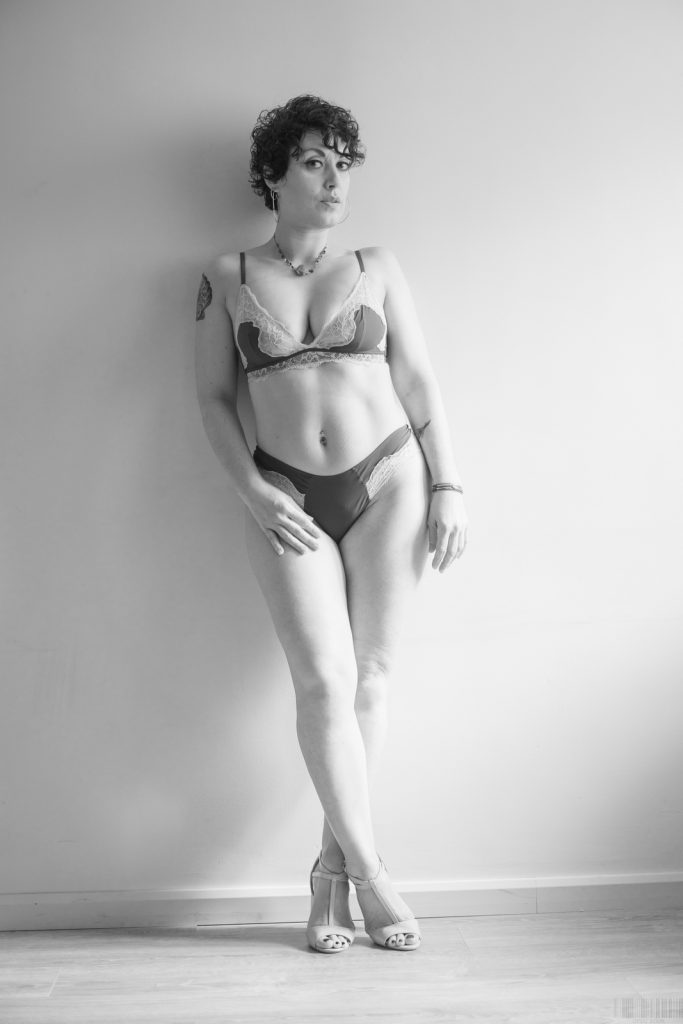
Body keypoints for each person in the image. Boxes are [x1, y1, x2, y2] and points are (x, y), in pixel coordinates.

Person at [194, 94, 468, 954]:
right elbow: (211, 399)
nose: (333, 179)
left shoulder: (377, 266)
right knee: (322, 682)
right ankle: (372, 876)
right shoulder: (226, 275)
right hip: (284, 494)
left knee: (370, 681)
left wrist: (449, 485)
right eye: (313, 162)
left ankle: (328, 878)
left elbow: (418, 382)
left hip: (390, 481)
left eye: (342, 163)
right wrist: (251, 490)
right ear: (272, 176)